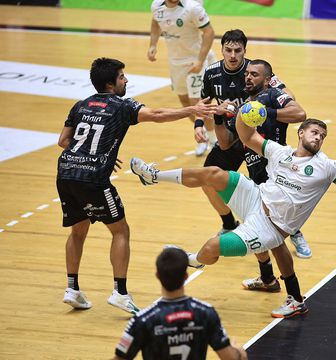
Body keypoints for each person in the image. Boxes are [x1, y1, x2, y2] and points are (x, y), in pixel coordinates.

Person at [129, 118, 336, 318]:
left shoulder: (327, 167)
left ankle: (194, 261)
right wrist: (243, 113)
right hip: (255, 198)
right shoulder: (280, 152)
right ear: (301, 134)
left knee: (211, 248)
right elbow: (247, 136)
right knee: (213, 173)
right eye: (314, 132)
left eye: (323, 136)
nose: (318, 138)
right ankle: (154, 176)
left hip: (270, 227)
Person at [57, 57, 215, 314]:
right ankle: (120, 293)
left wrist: (90, 152)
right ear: (110, 83)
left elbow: (63, 140)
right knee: (120, 231)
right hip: (93, 179)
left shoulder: (81, 105)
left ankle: (72, 288)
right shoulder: (121, 106)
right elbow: (156, 115)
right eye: (122, 77)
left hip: (65, 173)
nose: (126, 80)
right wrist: (191, 110)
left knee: (77, 230)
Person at [197, 29, 312, 259]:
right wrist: (199, 123)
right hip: (232, 134)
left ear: (244, 51)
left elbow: (289, 97)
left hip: (258, 136)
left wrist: (259, 109)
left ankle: (295, 231)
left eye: (237, 51)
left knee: (273, 191)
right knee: (207, 178)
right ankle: (229, 223)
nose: (232, 55)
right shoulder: (211, 73)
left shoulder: (254, 72)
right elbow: (205, 100)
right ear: (221, 51)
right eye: (228, 50)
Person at [113, 247, 248, 360]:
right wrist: (240, 353)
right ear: (186, 276)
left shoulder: (143, 320)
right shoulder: (206, 313)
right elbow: (230, 357)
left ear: (158, 276)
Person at [148, 0, 218, 156]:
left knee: (198, 104)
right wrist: (153, 44)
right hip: (175, 63)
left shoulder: (192, 7)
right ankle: (203, 136)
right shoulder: (156, 6)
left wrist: (200, 60)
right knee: (185, 104)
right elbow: (155, 22)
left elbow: (209, 32)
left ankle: (214, 141)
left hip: (195, 61)